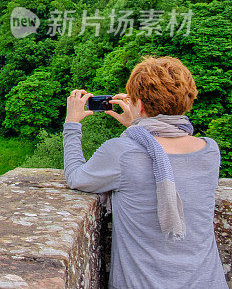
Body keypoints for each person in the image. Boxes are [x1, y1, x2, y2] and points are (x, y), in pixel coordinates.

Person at [63, 55, 226, 289]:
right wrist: (137, 125)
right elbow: (162, 147)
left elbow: (76, 177)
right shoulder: (210, 151)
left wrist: (72, 124)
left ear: (138, 104)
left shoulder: (123, 152)